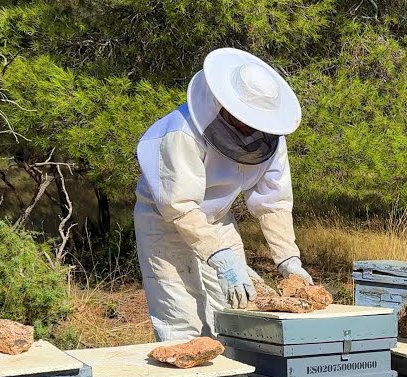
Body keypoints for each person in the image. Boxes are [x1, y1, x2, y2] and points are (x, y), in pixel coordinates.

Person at [134, 48, 313, 341]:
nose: (251, 127)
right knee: (182, 316)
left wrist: (288, 259)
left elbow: (274, 202)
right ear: (226, 105)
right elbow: (178, 205)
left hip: (216, 219)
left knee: (236, 310)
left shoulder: (270, 139)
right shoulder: (181, 131)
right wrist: (221, 258)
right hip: (164, 221)